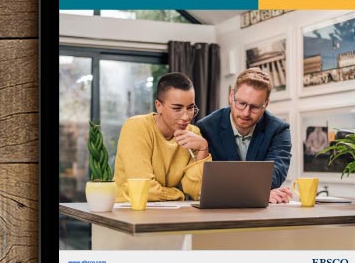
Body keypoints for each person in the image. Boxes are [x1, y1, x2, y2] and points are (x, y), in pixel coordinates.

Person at [197, 68, 293, 204]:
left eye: (254, 107)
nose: (246, 113)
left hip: (262, 214)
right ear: (231, 96)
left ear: (265, 105)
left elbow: (276, 172)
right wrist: (260, 193)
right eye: (241, 103)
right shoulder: (206, 128)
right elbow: (207, 181)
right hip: (218, 210)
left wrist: (260, 192)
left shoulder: (279, 129)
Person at [114, 72, 211, 201]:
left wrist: (203, 148)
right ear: (159, 106)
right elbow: (145, 190)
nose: (186, 117)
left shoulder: (193, 134)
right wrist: (178, 194)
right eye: (177, 109)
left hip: (168, 212)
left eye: (190, 108)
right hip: (125, 212)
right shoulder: (136, 127)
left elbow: (199, 193)